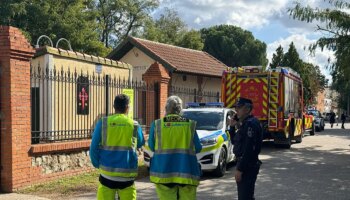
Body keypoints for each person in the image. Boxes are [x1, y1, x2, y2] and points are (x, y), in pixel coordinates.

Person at [90, 94, 145, 200]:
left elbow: (93, 147)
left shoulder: (103, 122)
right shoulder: (134, 124)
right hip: (127, 177)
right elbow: (140, 143)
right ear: (127, 107)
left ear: (114, 106)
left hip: (107, 175)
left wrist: (98, 164)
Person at [148, 96, 202, 200]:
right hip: (187, 172)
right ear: (180, 109)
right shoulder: (190, 124)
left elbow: (151, 146)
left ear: (166, 108)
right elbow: (198, 148)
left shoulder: (157, 124)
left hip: (163, 172)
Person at [229, 97, 263, 200]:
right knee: (247, 196)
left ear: (247, 109)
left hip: (247, 166)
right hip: (246, 165)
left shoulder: (250, 124)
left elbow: (248, 150)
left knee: (245, 197)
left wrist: (240, 169)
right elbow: (235, 142)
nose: (236, 111)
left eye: (239, 108)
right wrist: (232, 127)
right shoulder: (245, 124)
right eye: (236, 108)